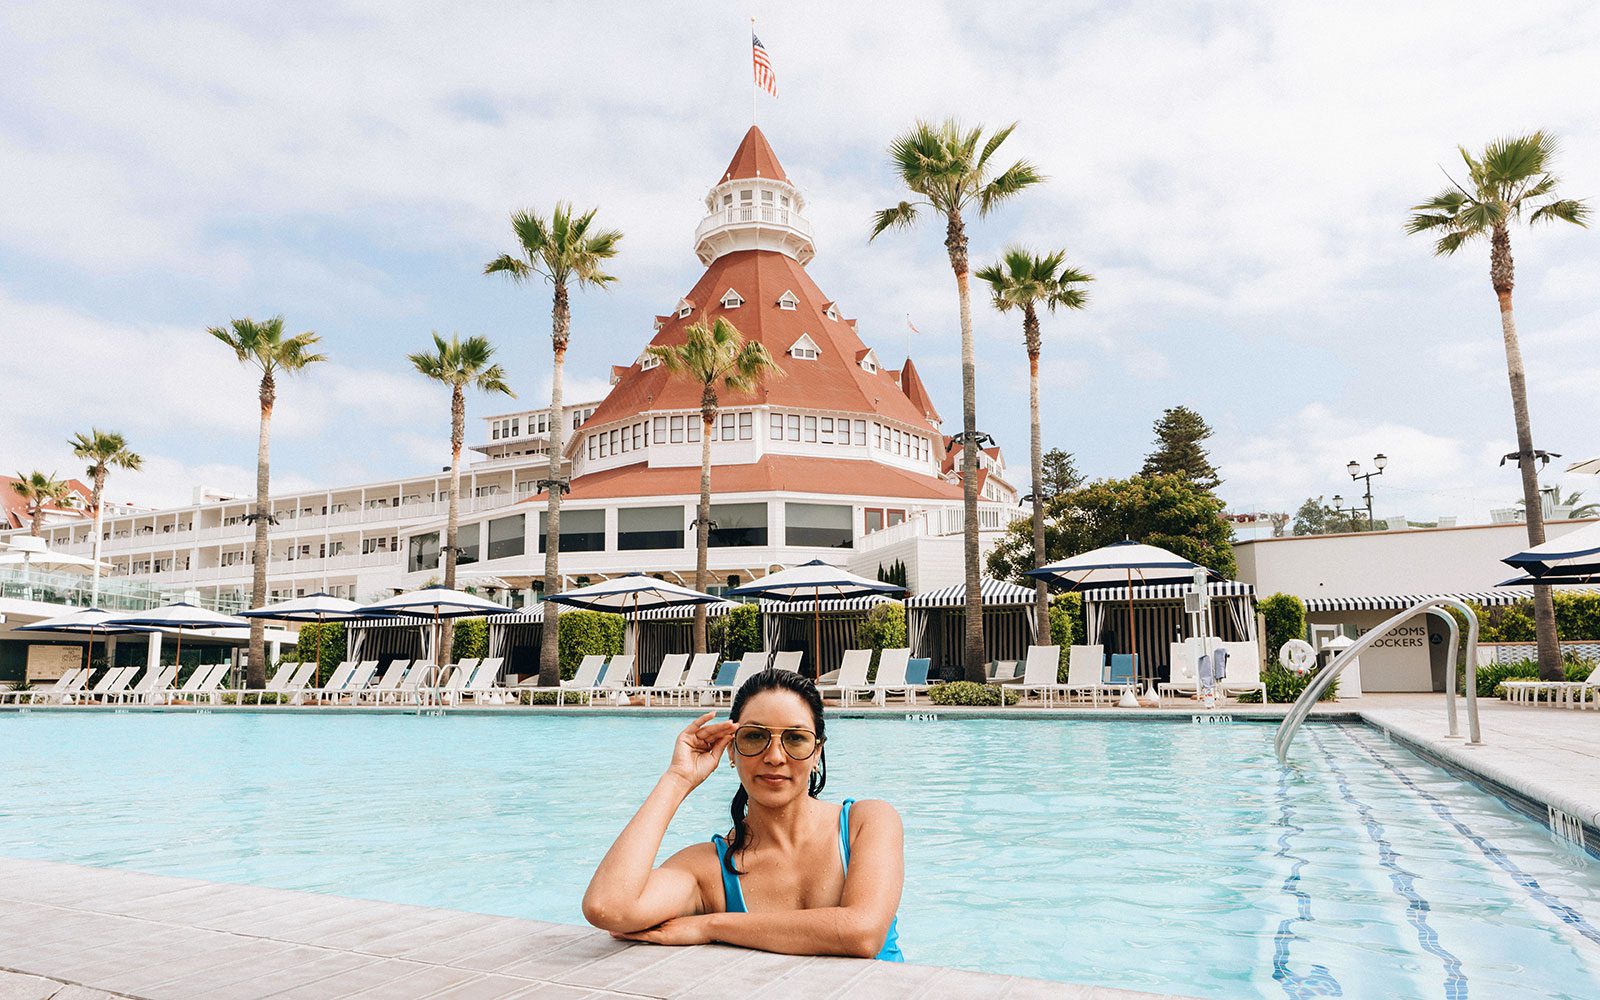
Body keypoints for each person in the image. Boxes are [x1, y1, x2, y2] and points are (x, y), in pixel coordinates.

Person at [582, 669, 904, 960]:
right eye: (755, 736)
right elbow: (608, 906)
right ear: (732, 751)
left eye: (795, 738)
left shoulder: (867, 823)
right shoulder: (710, 870)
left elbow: (862, 933)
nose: (775, 756)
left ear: (817, 752)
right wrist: (678, 779)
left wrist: (711, 926)